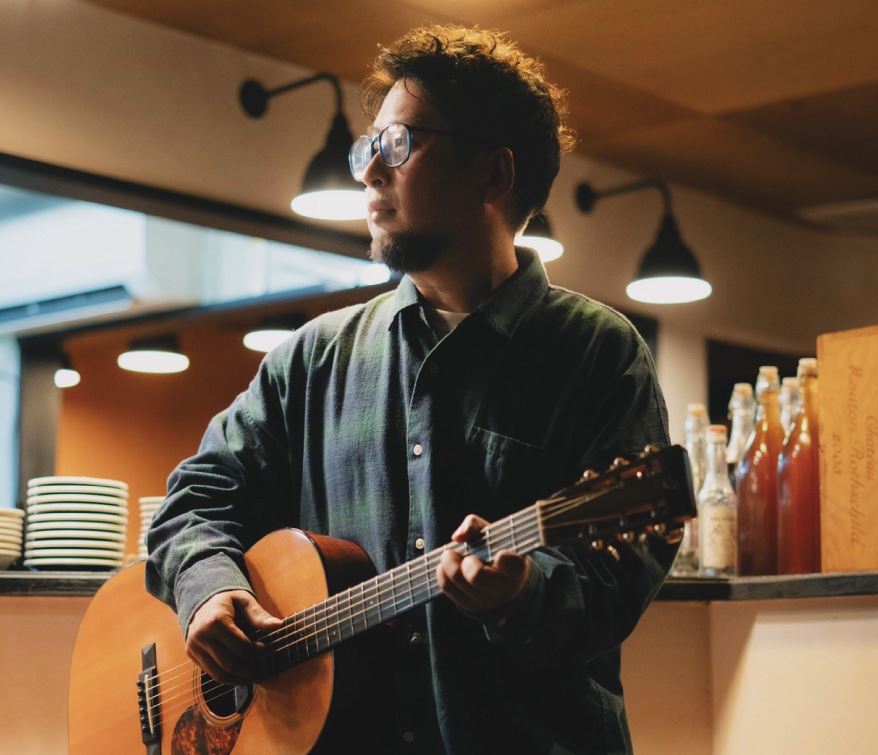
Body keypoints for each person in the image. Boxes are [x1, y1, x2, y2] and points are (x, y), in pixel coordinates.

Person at [146, 24, 675, 755]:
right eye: (370, 147)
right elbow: (196, 499)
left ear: (494, 174)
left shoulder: (597, 353)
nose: (369, 172)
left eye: (398, 144)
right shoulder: (313, 358)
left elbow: (620, 577)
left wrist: (522, 592)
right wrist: (207, 586)